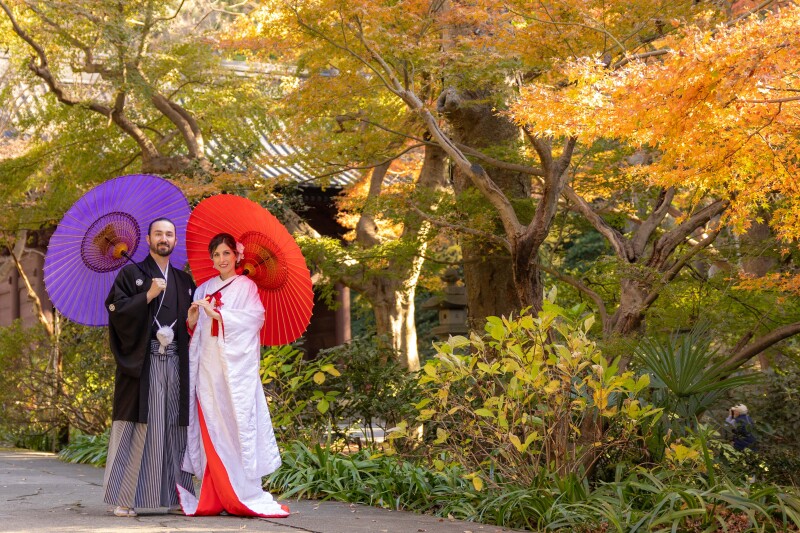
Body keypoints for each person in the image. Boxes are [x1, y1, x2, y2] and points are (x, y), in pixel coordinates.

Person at [178, 232, 289, 518]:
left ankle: (239, 492)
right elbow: (195, 331)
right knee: (210, 426)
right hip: (207, 368)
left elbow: (255, 319)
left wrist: (220, 316)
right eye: (216, 255)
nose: (222, 259)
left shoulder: (246, 287)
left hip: (232, 371)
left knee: (233, 424)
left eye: (226, 253)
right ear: (211, 259)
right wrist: (192, 319)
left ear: (237, 256)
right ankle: (214, 495)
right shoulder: (203, 289)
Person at [102, 217, 196, 517]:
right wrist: (147, 295)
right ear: (148, 239)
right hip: (144, 363)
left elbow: (191, 328)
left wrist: (192, 321)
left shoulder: (184, 281)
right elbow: (115, 310)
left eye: (169, 234)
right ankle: (125, 499)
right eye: (158, 234)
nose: (163, 239)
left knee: (175, 427)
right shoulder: (131, 274)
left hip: (177, 362)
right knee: (140, 425)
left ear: (175, 241)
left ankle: (178, 498)